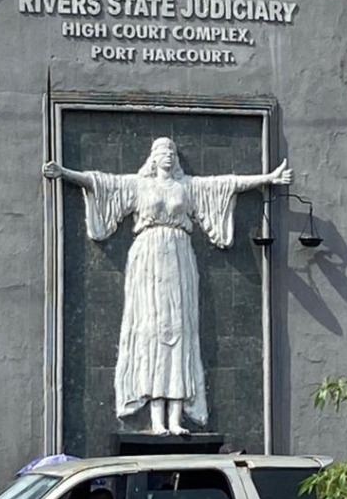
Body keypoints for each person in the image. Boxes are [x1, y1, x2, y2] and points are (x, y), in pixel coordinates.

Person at [44, 138, 292, 437]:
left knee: (181, 333)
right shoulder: (139, 185)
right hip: (147, 259)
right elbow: (100, 182)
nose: (169, 156)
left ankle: (176, 417)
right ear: (153, 157)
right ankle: (156, 416)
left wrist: (268, 179)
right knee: (150, 332)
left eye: (172, 152)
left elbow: (227, 184)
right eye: (163, 152)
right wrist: (64, 173)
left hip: (179, 259)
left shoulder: (186, 187)